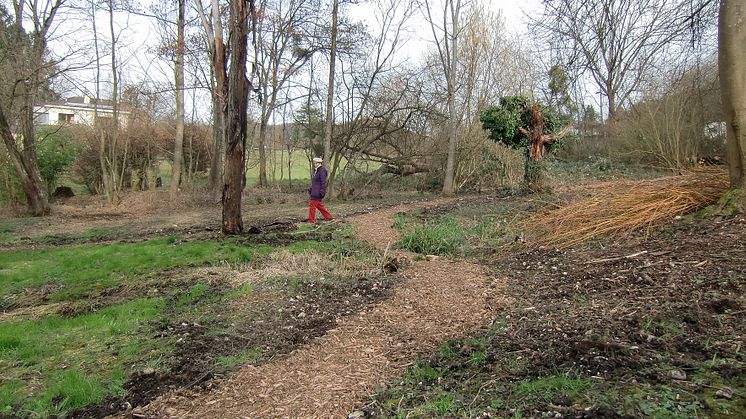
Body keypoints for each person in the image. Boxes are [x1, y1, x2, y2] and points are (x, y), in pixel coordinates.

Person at [308, 157, 334, 224]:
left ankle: (311, 222)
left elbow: (323, 182)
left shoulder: (322, 170)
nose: (314, 164)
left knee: (312, 206)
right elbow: (315, 182)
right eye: (314, 163)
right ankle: (330, 218)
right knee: (319, 206)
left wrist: (322, 191)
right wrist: (311, 189)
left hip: (317, 192)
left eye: (315, 163)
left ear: (319, 163)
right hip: (314, 191)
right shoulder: (317, 170)